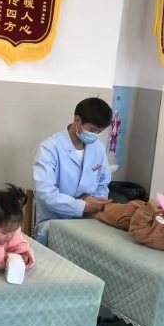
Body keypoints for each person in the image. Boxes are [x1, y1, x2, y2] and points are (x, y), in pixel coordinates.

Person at [33, 98, 113, 245]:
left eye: (99, 132)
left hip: (87, 220)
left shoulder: (98, 148)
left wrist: (95, 201)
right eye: (92, 130)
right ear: (77, 120)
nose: (95, 135)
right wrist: (82, 206)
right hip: (54, 221)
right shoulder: (50, 148)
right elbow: (46, 194)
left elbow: (103, 184)